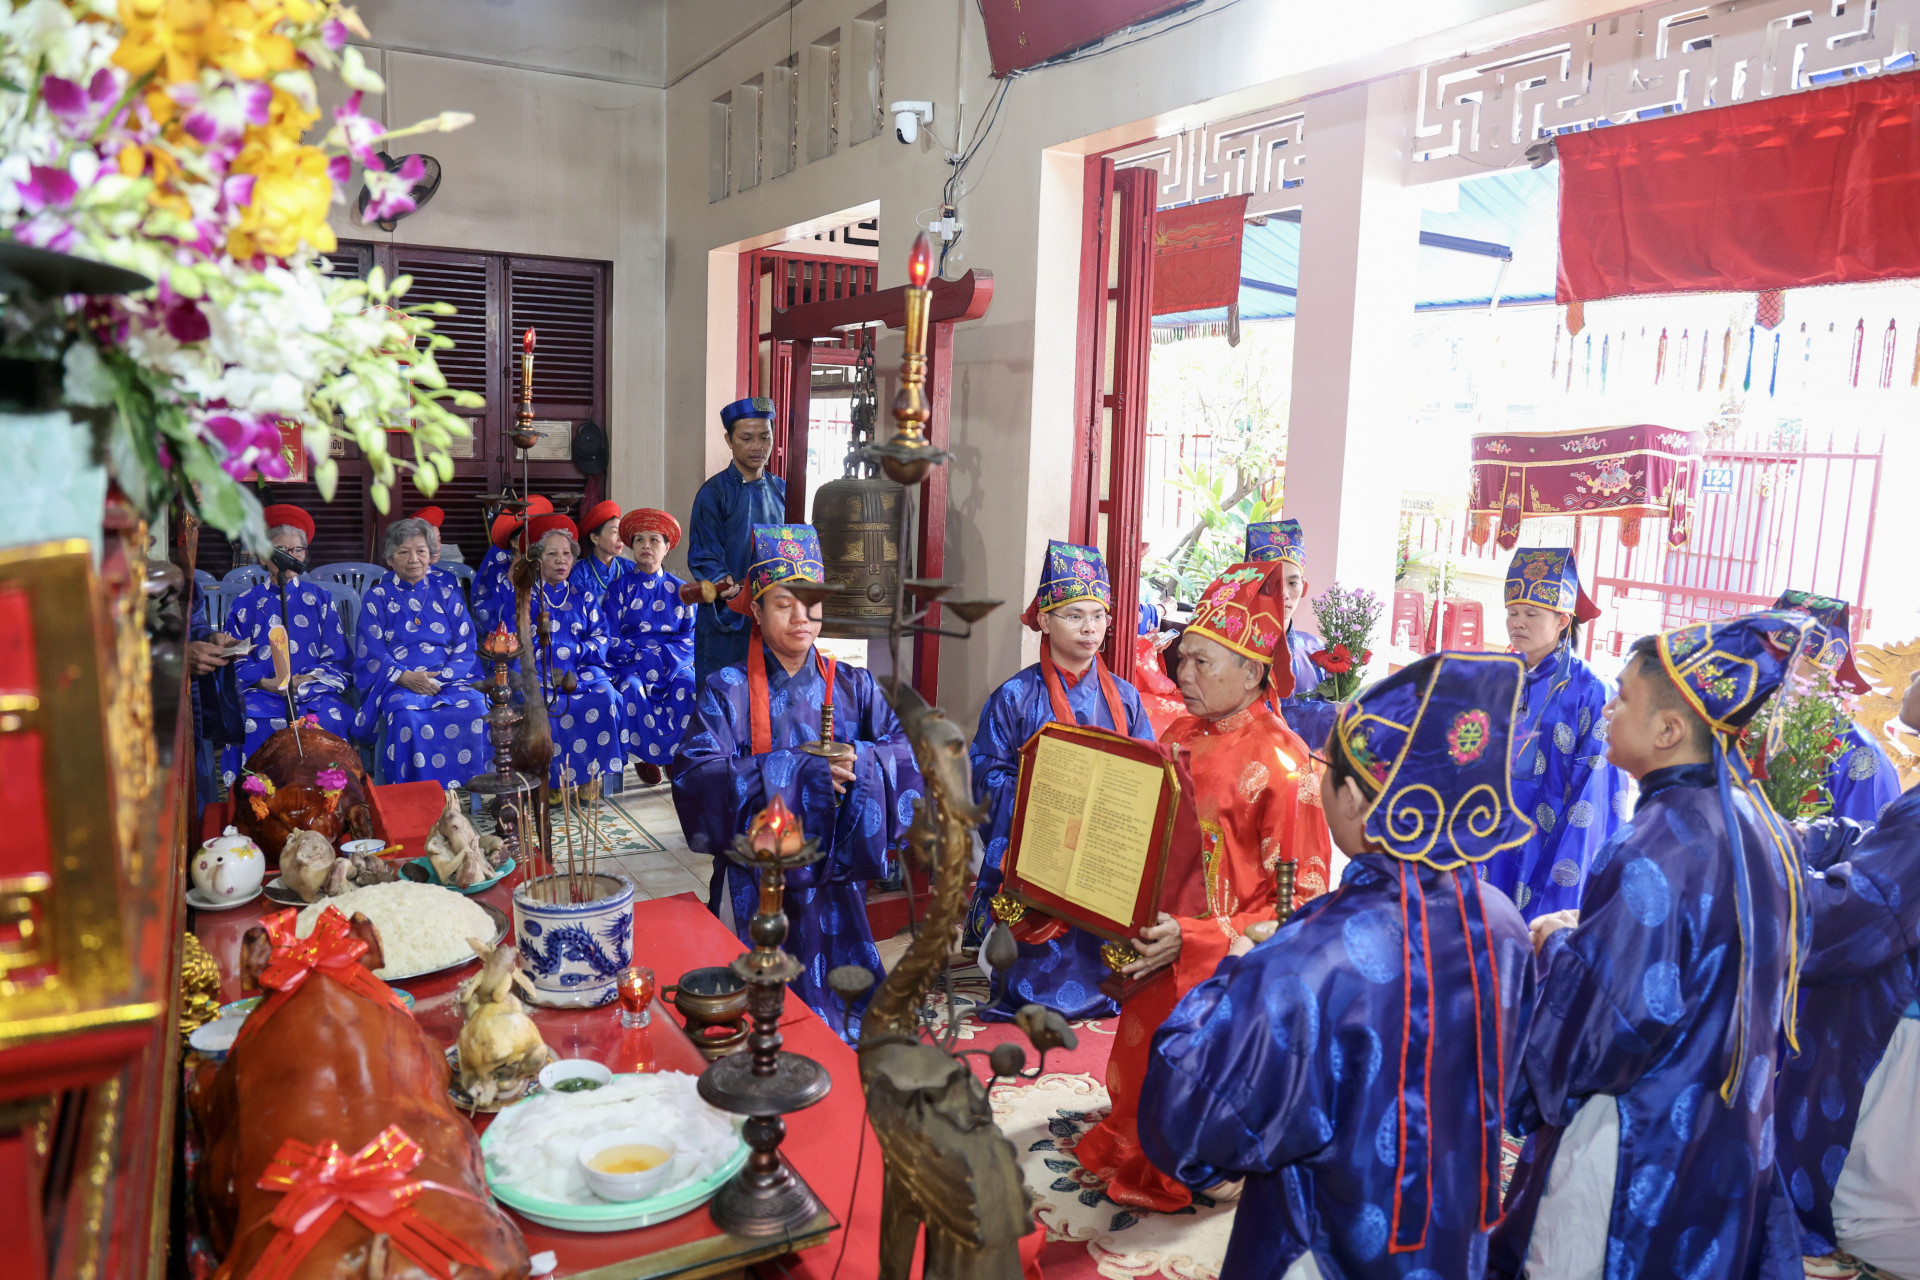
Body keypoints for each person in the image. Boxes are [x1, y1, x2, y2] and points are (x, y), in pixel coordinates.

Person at [1138, 649, 1537, 1278]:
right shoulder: (1502, 922)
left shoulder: (1314, 953)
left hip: (1322, 1247)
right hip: (1456, 1228)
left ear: (1352, 798)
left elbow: (1188, 1120)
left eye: (1326, 768)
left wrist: (1238, 967)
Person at [1490, 612, 1820, 1280]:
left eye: (1624, 699)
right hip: (1725, 1122)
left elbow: (1609, 1022)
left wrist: (1558, 949)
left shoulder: (1655, 845)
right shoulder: (1761, 822)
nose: (1608, 710)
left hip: (1636, 1128)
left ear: (1669, 731)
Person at [1075, 558, 1333, 1214]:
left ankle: (1206, 1158)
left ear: (1253, 672)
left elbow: (1298, 898)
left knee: (1192, 1074)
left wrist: (1194, 938)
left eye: (1201, 664)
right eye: (1181, 659)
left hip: (1222, 964)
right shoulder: (1182, 732)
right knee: (1141, 1065)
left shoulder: (1285, 766)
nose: (1182, 676)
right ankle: (1145, 1140)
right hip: (1159, 936)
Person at [670, 524, 921, 1039]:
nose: (802, 616)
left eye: (811, 602)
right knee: (748, 1027)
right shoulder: (727, 689)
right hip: (753, 883)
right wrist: (802, 772)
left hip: (834, 879)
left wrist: (860, 761)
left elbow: (906, 752)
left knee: (851, 1019)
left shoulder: (854, 684)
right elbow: (696, 776)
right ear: (757, 612)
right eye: (784, 604)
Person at [966, 539, 1154, 1023]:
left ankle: (1104, 980)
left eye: (1098, 615)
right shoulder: (1014, 696)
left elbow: (1150, 772)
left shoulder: (1127, 699)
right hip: (1040, 845)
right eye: (1074, 615)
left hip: (1105, 847)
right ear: (1044, 620)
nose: (1090, 627)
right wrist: (1044, 800)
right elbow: (985, 771)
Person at [1775, 668, 1920, 1272]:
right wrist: (1800, 839)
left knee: (1867, 1204)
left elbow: (1861, 911)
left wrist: (1760, 874)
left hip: (1897, 1026)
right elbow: (1876, 836)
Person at [1486, 547, 1630, 919]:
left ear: (1563, 620)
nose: (1518, 622)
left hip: (1552, 842)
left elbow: (1594, 794)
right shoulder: (1499, 677)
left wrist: (1563, 880)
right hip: (1491, 837)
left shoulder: (1592, 690)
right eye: (1512, 613)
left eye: (1531, 614)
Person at [351, 516, 490, 787]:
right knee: (405, 714)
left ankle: (473, 785)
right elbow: (372, 650)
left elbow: (466, 644)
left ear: (430, 557)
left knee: (476, 705)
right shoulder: (377, 597)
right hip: (398, 683)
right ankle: (413, 791)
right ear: (390, 559)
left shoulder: (448, 593)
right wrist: (404, 677)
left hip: (448, 681)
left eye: (421, 551)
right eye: (404, 552)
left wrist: (439, 678)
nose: (413, 559)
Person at [223, 503, 354, 778]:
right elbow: (234, 657)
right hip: (261, 691)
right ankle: (258, 800)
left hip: (312, 689)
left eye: (297, 550)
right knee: (252, 721)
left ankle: (331, 798)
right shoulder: (245, 604)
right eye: (281, 551)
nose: (290, 557)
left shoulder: (320, 599)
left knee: (330, 717)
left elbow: (337, 653)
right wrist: (267, 682)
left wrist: (305, 681)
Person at [1771, 589, 1901, 824]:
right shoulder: (1746, 731)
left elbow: (1866, 848)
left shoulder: (1857, 752)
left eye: (1782, 663)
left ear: (1821, 679)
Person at [524, 513, 627, 789]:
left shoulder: (584, 597)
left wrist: (573, 652)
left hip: (581, 670)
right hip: (540, 672)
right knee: (546, 705)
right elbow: (519, 642)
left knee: (606, 695)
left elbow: (601, 638)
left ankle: (590, 776)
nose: (561, 560)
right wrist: (552, 656)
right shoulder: (525, 598)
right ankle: (552, 781)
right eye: (553, 554)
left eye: (567, 554)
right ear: (538, 559)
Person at [688, 398, 786, 684]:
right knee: (723, 699)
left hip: (772, 614)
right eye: (746, 438)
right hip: (727, 617)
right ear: (729, 440)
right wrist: (725, 583)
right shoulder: (713, 493)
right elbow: (704, 554)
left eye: (765, 437)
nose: (757, 446)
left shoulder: (782, 490)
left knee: (770, 699)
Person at [605, 508, 694, 785]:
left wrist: (660, 660)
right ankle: (647, 757)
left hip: (672, 663)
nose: (646, 546)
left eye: (655, 540)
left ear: (667, 548)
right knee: (632, 689)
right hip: (630, 661)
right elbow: (609, 635)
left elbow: (690, 637)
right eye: (640, 540)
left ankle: (675, 755)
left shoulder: (682, 591)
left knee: (689, 684)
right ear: (631, 548)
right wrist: (641, 658)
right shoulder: (618, 588)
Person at [1245, 519, 1335, 751]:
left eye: (1292, 582)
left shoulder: (1316, 650)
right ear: (1253, 586)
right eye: (1271, 582)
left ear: (1303, 587)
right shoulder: (1235, 651)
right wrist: (1327, 715)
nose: (1284, 593)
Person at [472, 495, 551, 633]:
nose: (535, 541)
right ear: (513, 542)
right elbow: (483, 614)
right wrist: (511, 585)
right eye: (527, 535)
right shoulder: (495, 571)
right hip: (508, 643)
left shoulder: (552, 565)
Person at [570, 499, 633, 604]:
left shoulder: (630, 568)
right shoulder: (579, 572)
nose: (621, 538)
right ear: (595, 538)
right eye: (614, 532)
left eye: (621, 532)